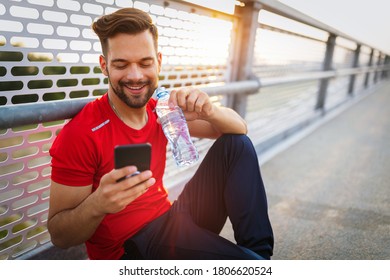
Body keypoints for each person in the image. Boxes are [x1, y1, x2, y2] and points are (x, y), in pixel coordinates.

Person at [47, 7, 273, 260]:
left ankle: (260, 257)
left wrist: (209, 110)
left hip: (171, 220)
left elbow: (239, 129)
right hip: (132, 249)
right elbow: (60, 235)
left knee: (236, 145)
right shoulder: (81, 132)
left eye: (145, 63)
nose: (135, 76)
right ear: (104, 66)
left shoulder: (161, 110)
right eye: (121, 65)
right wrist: (98, 203)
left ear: (159, 62)